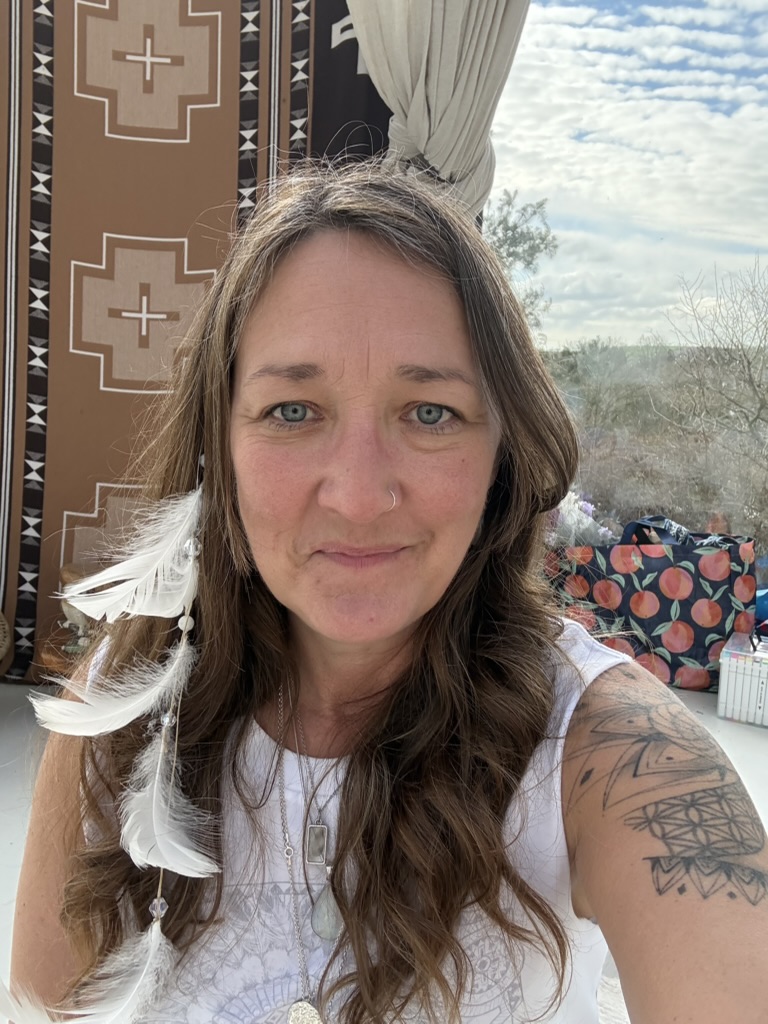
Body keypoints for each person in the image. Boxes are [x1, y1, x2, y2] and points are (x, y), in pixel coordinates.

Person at [8, 160, 768, 1024]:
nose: (360, 496)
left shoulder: (612, 754)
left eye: (430, 412)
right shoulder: (121, 704)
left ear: (501, 455)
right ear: (218, 445)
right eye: (293, 410)